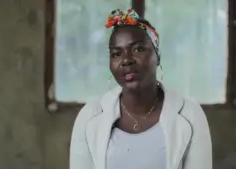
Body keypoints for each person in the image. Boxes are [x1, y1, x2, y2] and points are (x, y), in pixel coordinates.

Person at [70, 8, 212, 169]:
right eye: (116, 53)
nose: (126, 60)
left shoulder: (190, 114)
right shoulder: (89, 116)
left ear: (157, 56)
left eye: (138, 49)